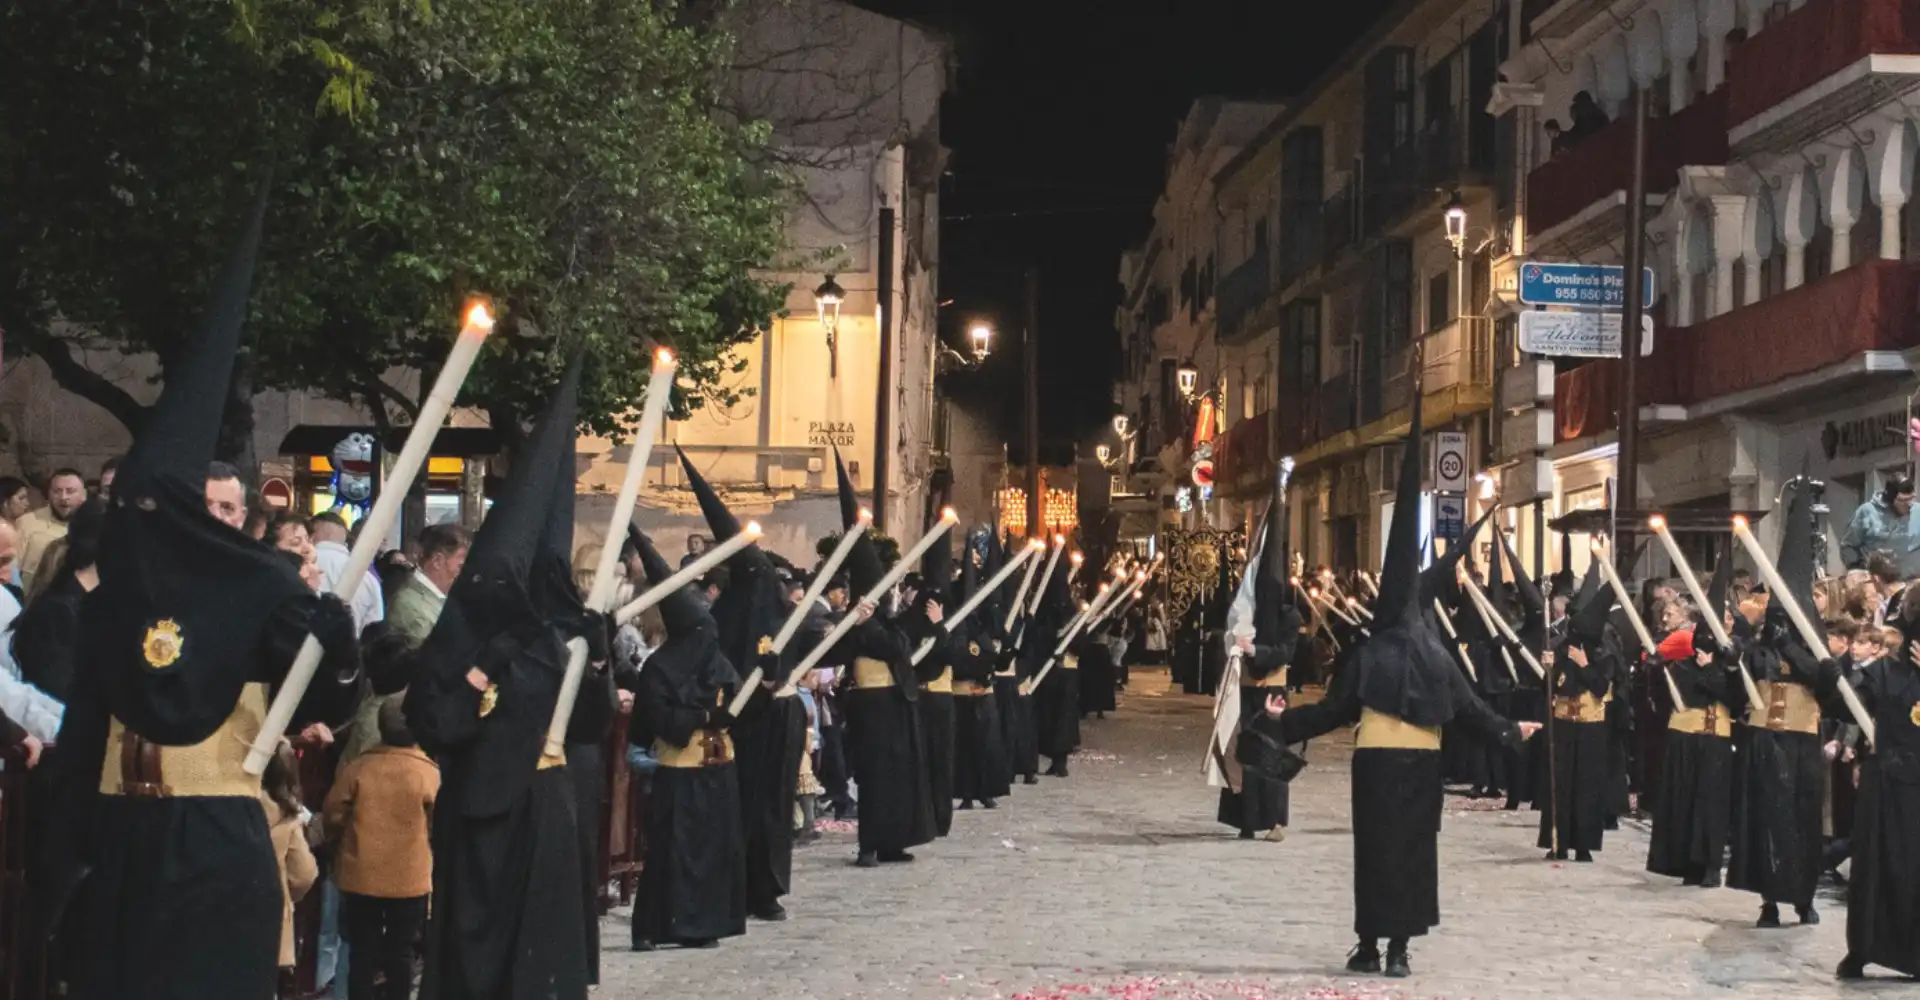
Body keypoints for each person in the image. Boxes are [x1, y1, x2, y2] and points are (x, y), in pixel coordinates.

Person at [53, 197, 362, 1000]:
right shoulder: (120, 590)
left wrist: (330, 639)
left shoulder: (259, 582)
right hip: (122, 831)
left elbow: (316, 695)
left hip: (214, 831)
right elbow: (87, 720)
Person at [1239, 390, 1538, 979]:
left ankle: (1372, 945)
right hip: (1420, 766)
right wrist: (1511, 730)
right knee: (1411, 853)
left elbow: (1333, 710)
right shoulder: (1435, 654)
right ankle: (1399, 948)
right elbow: (1472, 711)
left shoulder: (1372, 651)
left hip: (1376, 764)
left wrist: (1280, 720)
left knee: (1375, 854)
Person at [404, 361, 593, 1000]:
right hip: (482, 813)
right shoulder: (454, 639)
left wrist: (594, 657)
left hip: (545, 807)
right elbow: (437, 725)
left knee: (542, 947)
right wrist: (484, 666)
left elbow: (588, 720)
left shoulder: (549, 640)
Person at [676, 449, 809, 922]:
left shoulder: (784, 612)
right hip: (739, 720)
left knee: (772, 804)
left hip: (777, 718)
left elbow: (805, 649)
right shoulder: (724, 616)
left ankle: (766, 887)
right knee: (737, 801)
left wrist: (777, 672)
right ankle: (732, 883)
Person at [1728, 480, 1841, 928]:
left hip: (1801, 742)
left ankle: (1802, 896)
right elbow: (1742, 684)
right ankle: (1769, 899)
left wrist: (1802, 658)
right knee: (1766, 819)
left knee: (1800, 820)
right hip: (1764, 740)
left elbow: (1829, 692)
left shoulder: (1816, 650)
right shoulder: (1761, 646)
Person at [628, 529, 746, 950]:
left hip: (717, 768)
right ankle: (654, 927)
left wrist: (760, 683)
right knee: (670, 852)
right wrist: (700, 716)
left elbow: (738, 699)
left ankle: (703, 924)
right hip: (678, 770)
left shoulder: (715, 660)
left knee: (713, 850)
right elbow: (654, 717)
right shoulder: (659, 670)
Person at [829, 451, 936, 867]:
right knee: (875, 777)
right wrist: (862, 623)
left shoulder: (882, 621)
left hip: (895, 702)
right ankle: (869, 844)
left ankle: (894, 839)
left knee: (899, 776)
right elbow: (885, 646)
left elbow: (901, 642)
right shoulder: (858, 625)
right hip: (871, 704)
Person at [325, 700, 439, 1000]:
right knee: (401, 953)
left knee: (362, 952)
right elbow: (436, 822)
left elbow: (333, 813)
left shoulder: (359, 767)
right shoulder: (428, 772)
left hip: (361, 874)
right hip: (410, 878)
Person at [1834, 587, 1920, 980]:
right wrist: (1832, 673)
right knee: (1874, 864)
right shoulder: (1886, 670)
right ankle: (1865, 947)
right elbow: (1848, 701)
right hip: (1885, 782)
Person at [1645, 556, 1747, 888]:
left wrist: (1717, 671)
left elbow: (1736, 699)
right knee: (1683, 801)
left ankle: (1710, 864)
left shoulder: (1736, 657)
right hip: (1683, 734)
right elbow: (1673, 694)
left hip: (1714, 734)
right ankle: (1684, 862)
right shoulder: (1687, 655)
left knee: (1711, 803)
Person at [1218, 488, 1301, 843]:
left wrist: (1258, 651)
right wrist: (1237, 644)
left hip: (1274, 692)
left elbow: (1285, 652)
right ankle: (1246, 819)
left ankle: (1274, 821)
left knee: (1271, 755)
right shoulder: (1249, 608)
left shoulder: (1290, 616)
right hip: (1247, 691)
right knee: (1246, 753)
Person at [1539, 561, 1616, 862]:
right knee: (1561, 783)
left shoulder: (1603, 654)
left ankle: (1583, 843)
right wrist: (1549, 667)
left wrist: (1585, 666)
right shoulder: (1560, 646)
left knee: (1587, 785)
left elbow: (1600, 687)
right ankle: (1558, 840)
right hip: (1563, 722)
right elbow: (1551, 686)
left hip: (1590, 724)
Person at [264, 740, 320, 977]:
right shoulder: (289, 818)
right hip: (272, 913)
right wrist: (288, 897)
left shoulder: (234, 807)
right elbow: (304, 874)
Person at [388, 523, 469, 647]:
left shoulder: (446, 598)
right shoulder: (410, 605)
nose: (467, 574)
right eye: (461, 566)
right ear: (437, 561)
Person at [312, 511, 385, 635]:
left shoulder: (299, 567)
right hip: (351, 650)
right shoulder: (368, 578)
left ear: (312, 535)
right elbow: (374, 630)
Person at [18, 467, 86, 591]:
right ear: (48, 494)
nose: (63, 497)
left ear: (83, 495)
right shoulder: (27, 522)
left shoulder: (95, 527)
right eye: (57, 491)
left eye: (70, 491)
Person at [1842, 476, 1915, 573]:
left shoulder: (1917, 511)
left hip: (1912, 581)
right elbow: (1848, 546)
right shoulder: (1867, 512)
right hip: (1878, 580)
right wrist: (1855, 569)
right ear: (1890, 499)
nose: (1908, 504)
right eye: (1903, 500)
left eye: (1911, 499)